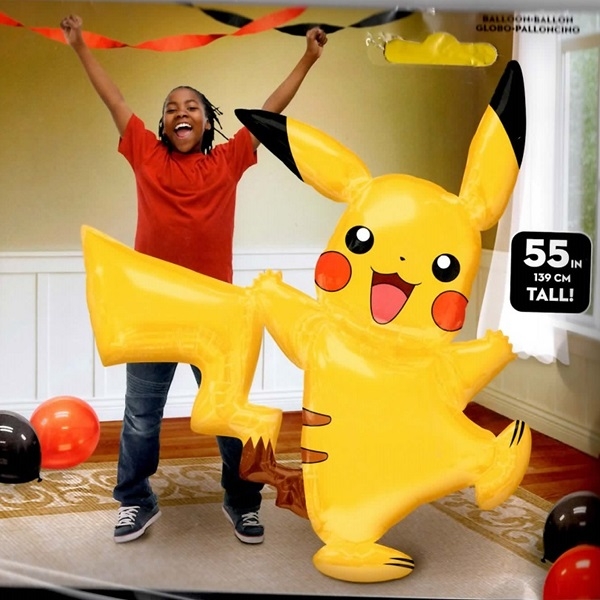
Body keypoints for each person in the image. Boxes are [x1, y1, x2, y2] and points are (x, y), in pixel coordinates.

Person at [60, 14, 327, 545]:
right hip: (153, 315)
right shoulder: (144, 153)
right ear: (162, 127)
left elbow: (270, 109)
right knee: (141, 418)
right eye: (171, 108)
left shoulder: (228, 160)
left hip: (216, 319)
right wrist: (80, 46)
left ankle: (242, 501)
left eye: (192, 107)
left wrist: (308, 58)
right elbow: (114, 99)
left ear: (207, 123)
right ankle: (135, 500)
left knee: (229, 417)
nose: (181, 112)